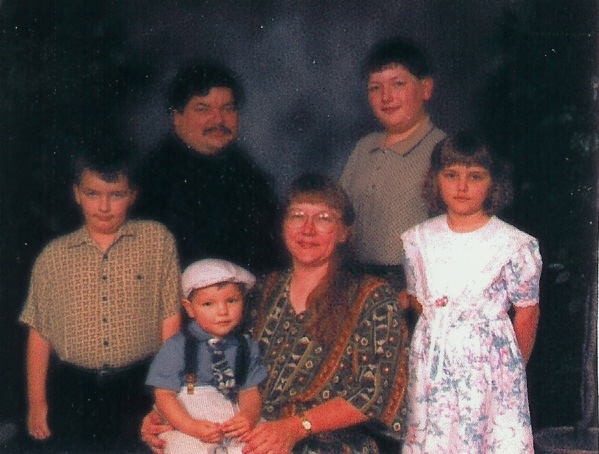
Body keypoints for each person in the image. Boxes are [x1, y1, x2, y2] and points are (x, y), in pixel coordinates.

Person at [142, 174, 409, 454]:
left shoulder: (373, 297)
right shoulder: (261, 290)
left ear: (344, 232)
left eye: (324, 219)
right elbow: (212, 359)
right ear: (283, 226)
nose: (308, 229)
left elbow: (374, 394)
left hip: (325, 442)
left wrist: (296, 427)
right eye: (297, 216)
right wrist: (167, 414)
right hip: (245, 427)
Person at [19, 146, 182, 453]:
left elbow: (170, 320)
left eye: (116, 195)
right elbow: (39, 333)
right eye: (92, 194)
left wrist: (166, 394)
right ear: (77, 194)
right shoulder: (53, 257)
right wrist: (37, 403)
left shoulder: (156, 241)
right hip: (74, 393)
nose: (104, 206)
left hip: (140, 388)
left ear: (133, 195)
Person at [400, 133, 541, 453]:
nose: (461, 187)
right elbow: (421, 303)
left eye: (475, 177)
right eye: (451, 175)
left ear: (493, 183)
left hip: (489, 371)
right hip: (433, 368)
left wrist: (509, 372)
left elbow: (528, 312)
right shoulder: (417, 240)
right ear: (436, 179)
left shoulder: (513, 244)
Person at [134, 60, 281, 272]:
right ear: (177, 117)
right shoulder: (152, 182)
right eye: (203, 109)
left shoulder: (252, 177)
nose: (218, 120)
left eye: (228, 109)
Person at [340, 37, 446, 292]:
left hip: (412, 287)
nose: (386, 97)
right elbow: (339, 215)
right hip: (355, 281)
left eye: (398, 84)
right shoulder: (364, 148)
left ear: (426, 88)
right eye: (375, 88)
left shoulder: (443, 151)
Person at [146, 259, 267, 454]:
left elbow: (249, 391)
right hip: (188, 423)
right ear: (190, 308)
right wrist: (191, 426)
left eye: (231, 301)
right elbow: (164, 395)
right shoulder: (176, 346)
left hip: (231, 420)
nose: (223, 311)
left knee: (258, 446)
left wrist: (249, 416)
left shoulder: (246, 347)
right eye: (208, 304)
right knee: (183, 448)